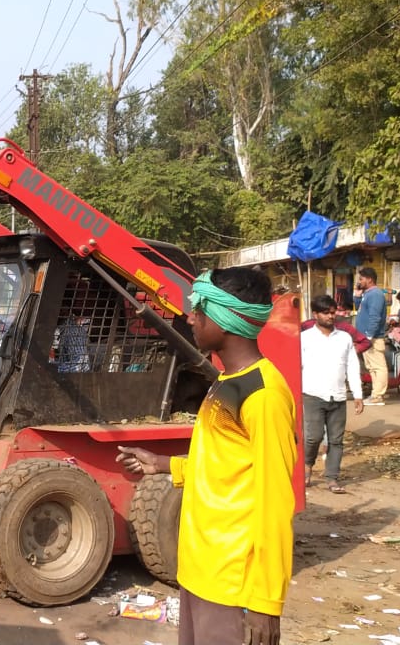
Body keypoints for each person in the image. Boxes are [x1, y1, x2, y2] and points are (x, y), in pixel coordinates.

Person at [116, 267, 296, 645]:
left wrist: (265, 602)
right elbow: (224, 466)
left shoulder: (263, 396)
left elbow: (275, 502)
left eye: (200, 307)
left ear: (227, 318)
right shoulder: (225, 383)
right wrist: (164, 464)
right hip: (199, 569)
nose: (190, 316)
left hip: (231, 582)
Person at [300, 294, 364, 493]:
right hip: (312, 393)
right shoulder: (304, 338)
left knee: (336, 440)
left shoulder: (344, 338)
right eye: (326, 313)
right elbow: (296, 366)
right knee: (313, 437)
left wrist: (358, 394)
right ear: (315, 314)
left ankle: (332, 478)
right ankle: (307, 466)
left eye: (333, 312)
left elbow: (352, 366)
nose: (330, 316)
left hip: (338, 395)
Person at [353, 267, 389, 404]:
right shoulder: (367, 294)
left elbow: (375, 317)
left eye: (361, 279)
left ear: (369, 279)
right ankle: (375, 395)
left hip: (372, 338)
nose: (359, 281)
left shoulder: (375, 294)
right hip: (366, 338)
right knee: (372, 367)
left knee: (378, 367)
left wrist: (368, 336)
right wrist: (357, 296)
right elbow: (360, 309)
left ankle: (378, 396)